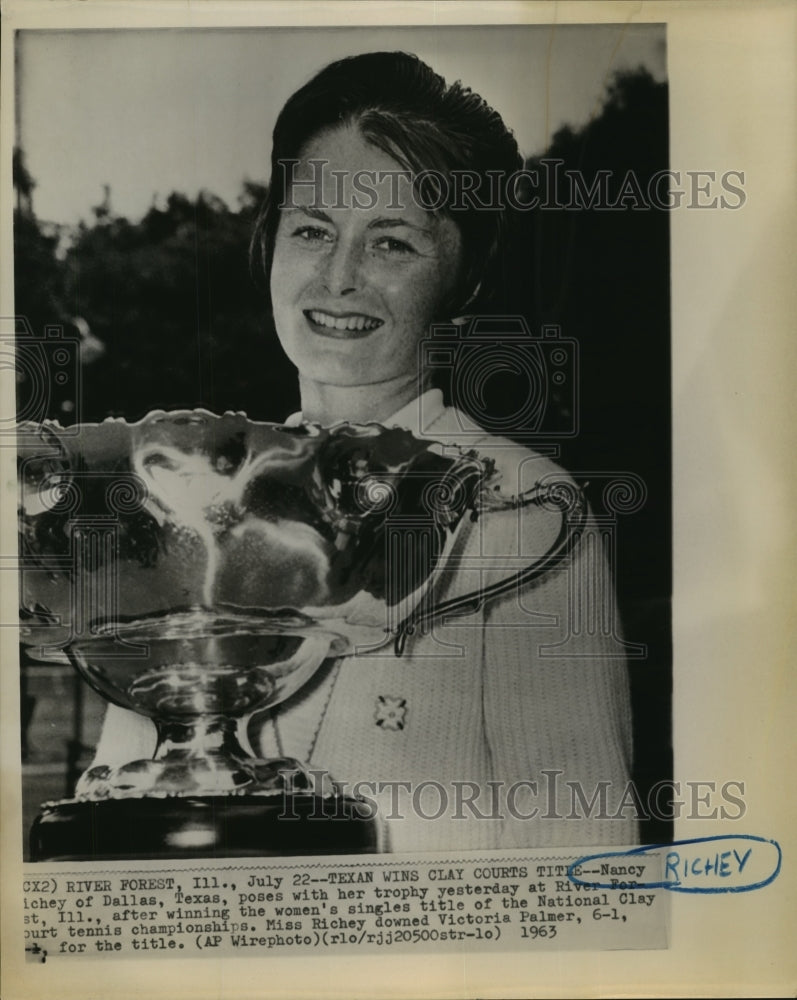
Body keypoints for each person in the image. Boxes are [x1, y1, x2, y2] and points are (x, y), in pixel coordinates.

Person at [94, 51, 637, 852]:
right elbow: (118, 822)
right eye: (312, 230)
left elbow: (586, 860)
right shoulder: (190, 503)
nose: (339, 278)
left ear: (466, 278)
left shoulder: (522, 516)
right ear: (268, 241)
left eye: (393, 244)